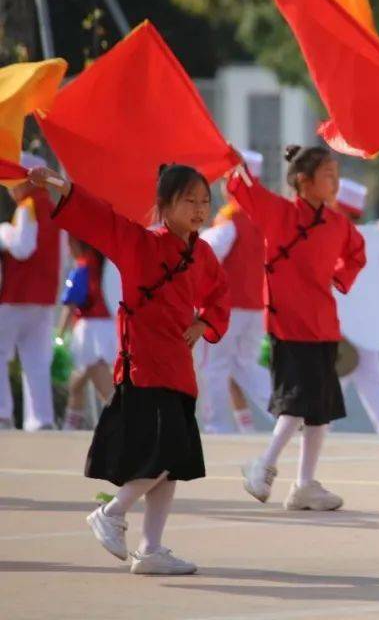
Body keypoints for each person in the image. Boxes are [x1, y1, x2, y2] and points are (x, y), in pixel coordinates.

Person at [29, 162, 230, 575]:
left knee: (171, 466)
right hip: (145, 366)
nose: (198, 209)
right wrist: (60, 185)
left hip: (178, 368)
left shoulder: (203, 252)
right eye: (188, 200)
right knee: (164, 454)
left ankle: (151, 549)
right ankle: (112, 512)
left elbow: (219, 294)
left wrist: (203, 321)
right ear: (164, 205)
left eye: (204, 201)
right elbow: (99, 217)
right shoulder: (139, 242)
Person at [235, 145, 366, 511]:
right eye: (328, 176)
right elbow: (241, 187)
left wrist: (340, 278)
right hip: (288, 324)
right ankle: (264, 465)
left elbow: (358, 252)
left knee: (319, 410)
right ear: (302, 181)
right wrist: (233, 159)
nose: (335, 183)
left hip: (323, 325)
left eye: (337, 176)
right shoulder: (278, 212)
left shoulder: (338, 224)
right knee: (296, 402)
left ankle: (305, 484)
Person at [197, 149, 272, 434]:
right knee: (246, 366)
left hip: (226, 308)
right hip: (255, 307)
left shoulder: (232, 219)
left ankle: (216, 426)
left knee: (214, 367)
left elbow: (207, 253)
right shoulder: (264, 217)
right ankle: (285, 414)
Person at [335, 178, 379, 436]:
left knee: (332, 385)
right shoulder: (372, 238)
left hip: (342, 327)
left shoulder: (341, 237)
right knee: (371, 383)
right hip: (365, 329)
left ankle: (309, 433)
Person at [0, 152, 61, 430]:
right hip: (45, 297)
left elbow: (23, 248)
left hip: (17, 295)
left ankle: (2, 413)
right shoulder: (53, 207)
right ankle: (42, 419)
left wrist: (3, 232)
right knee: (37, 361)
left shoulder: (28, 207)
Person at [56, 236, 116, 430]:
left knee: (99, 378)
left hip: (90, 329)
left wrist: (60, 333)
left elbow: (71, 303)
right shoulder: (107, 265)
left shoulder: (83, 268)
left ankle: (120, 421)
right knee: (79, 380)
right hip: (108, 326)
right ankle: (71, 423)